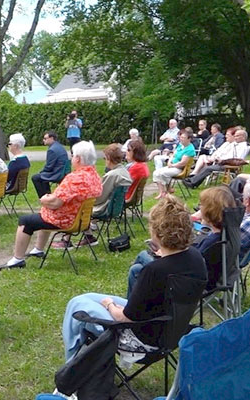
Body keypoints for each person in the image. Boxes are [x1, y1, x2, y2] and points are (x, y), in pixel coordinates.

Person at [61, 195, 206, 361]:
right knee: (87, 298)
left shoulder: (155, 270)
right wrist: (164, 254)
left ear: (157, 232)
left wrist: (109, 305)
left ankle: (71, 368)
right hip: (170, 330)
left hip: (141, 341)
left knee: (77, 304)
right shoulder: (196, 258)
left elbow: (125, 318)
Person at [0, 141, 102, 269]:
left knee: (25, 221)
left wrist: (44, 199)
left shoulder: (75, 178)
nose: (72, 158)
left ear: (78, 159)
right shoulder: (94, 176)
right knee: (43, 213)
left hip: (65, 219)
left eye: (73, 155)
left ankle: (17, 259)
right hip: (81, 220)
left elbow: (55, 203)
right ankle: (38, 249)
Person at [76, 143, 133, 246]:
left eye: (104, 158)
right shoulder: (124, 171)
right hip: (116, 208)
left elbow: (99, 198)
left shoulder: (112, 175)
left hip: (106, 208)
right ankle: (88, 236)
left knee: (79, 206)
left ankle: (85, 237)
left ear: (108, 158)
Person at [194, 186, 237, 291]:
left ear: (209, 211)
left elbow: (191, 262)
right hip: (223, 274)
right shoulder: (229, 234)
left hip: (197, 282)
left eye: (201, 205)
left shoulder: (211, 242)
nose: (199, 208)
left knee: (146, 258)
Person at [183, 128, 250, 189]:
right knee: (207, 165)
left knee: (208, 168)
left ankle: (193, 182)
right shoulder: (233, 144)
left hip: (230, 165)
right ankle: (192, 180)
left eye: (237, 136)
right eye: (235, 135)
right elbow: (225, 153)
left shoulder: (243, 146)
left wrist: (222, 160)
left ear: (243, 137)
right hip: (223, 162)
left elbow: (237, 158)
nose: (235, 137)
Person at [152, 129, 195, 199]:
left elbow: (182, 163)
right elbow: (173, 154)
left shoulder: (190, 149)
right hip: (172, 165)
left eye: (183, 138)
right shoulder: (181, 145)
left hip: (179, 169)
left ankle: (166, 191)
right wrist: (169, 161)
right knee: (156, 173)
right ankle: (162, 192)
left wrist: (172, 165)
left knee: (162, 173)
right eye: (181, 137)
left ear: (189, 139)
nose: (181, 139)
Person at [32, 130, 69, 199]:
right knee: (42, 176)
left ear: (51, 138)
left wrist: (41, 172)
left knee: (36, 178)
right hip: (62, 172)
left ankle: (44, 199)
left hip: (57, 174)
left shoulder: (52, 150)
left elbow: (49, 167)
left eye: (45, 138)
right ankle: (48, 195)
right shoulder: (59, 146)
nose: (43, 140)